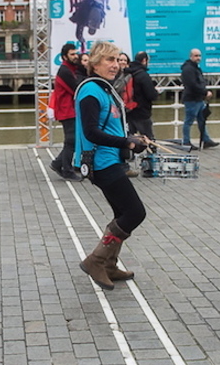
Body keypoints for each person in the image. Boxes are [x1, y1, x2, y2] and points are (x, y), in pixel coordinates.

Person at [74, 41, 150, 290]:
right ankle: (96, 260)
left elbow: (113, 127)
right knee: (135, 212)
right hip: (101, 162)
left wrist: (135, 140)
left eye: (117, 60)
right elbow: (91, 132)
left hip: (111, 159)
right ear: (94, 63)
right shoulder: (90, 92)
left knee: (122, 214)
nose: (116, 65)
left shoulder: (105, 90)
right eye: (109, 60)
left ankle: (109, 263)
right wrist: (127, 143)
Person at [49, 43, 82, 181]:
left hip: (68, 110)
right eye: (72, 54)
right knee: (71, 141)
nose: (76, 56)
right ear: (64, 56)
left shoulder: (69, 69)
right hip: (67, 110)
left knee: (71, 140)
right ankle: (66, 169)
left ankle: (58, 163)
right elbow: (76, 89)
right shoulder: (65, 71)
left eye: (76, 53)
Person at [181, 48, 217, 149]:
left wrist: (204, 91)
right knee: (189, 121)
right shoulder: (189, 69)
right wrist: (205, 92)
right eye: (196, 56)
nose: (198, 58)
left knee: (202, 119)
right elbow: (192, 85)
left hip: (198, 99)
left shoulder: (194, 68)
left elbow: (199, 83)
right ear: (191, 56)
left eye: (199, 56)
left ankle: (205, 139)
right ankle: (186, 142)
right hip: (192, 99)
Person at [126, 51, 159, 140]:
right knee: (148, 139)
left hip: (128, 111)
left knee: (129, 139)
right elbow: (151, 95)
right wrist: (156, 93)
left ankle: (130, 154)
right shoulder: (143, 75)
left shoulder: (128, 73)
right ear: (144, 60)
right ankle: (151, 153)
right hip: (142, 112)